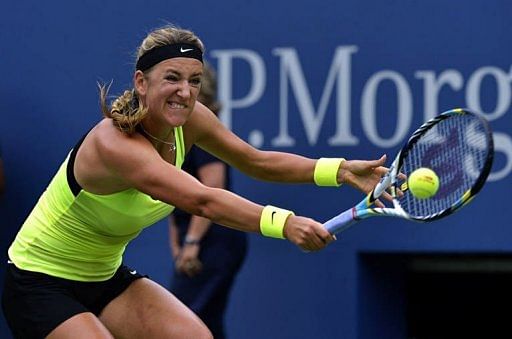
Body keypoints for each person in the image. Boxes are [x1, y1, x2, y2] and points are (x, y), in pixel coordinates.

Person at [1, 24, 389, 339]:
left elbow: (257, 162)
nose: (184, 93)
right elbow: (202, 200)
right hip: (40, 284)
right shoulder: (114, 144)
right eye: (172, 78)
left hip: (104, 278)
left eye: (194, 80)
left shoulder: (192, 119)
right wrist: (285, 223)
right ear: (141, 82)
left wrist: (339, 170)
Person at [168, 63, 247, 339]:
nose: (181, 93)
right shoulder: (177, 131)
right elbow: (170, 190)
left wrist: (191, 242)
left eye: (192, 84)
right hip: (197, 241)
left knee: (183, 323)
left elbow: (211, 189)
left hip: (214, 242)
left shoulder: (202, 131)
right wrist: (178, 241)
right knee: (205, 324)